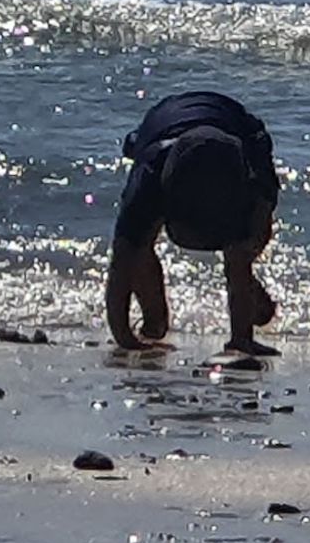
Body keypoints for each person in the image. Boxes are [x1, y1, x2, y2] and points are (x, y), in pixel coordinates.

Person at [103, 91, 281, 355]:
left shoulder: (253, 166)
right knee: (138, 239)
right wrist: (124, 337)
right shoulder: (150, 173)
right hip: (161, 129)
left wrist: (242, 339)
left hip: (238, 133)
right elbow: (124, 255)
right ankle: (154, 321)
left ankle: (243, 308)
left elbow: (254, 229)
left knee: (244, 242)